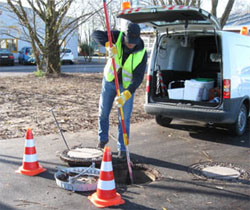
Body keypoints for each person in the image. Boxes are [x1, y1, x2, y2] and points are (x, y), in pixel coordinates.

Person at [91, 22, 147, 161]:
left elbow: (138, 77)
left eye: (133, 42)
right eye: (129, 41)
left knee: (124, 118)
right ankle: (102, 140)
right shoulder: (117, 36)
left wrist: (127, 93)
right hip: (110, 80)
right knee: (103, 112)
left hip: (126, 87)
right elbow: (95, 34)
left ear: (138, 38)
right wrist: (108, 45)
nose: (130, 44)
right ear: (125, 36)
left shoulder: (142, 53)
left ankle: (122, 147)